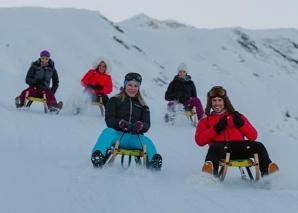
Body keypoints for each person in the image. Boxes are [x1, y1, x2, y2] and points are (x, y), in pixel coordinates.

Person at [195, 86, 279, 177]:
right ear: (210, 103)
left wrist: (241, 124)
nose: (217, 103)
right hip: (221, 149)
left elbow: (253, 136)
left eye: (220, 100)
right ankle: (208, 176)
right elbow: (199, 140)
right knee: (213, 148)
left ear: (225, 102)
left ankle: (269, 175)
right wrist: (216, 128)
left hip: (241, 148)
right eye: (214, 100)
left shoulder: (237, 116)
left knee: (259, 146)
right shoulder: (205, 120)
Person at [90, 72, 162, 170]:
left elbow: (147, 124)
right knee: (107, 132)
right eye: (130, 85)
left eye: (136, 86)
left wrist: (141, 125)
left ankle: (154, 161)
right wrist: (119, 123)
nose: (132, 88)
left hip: (134, 137)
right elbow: (109, 119)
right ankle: (99, 155)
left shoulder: (143, 106)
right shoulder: (114, 100)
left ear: (138, 88)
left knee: (147, 141)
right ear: (125, 85)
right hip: (117, 135)